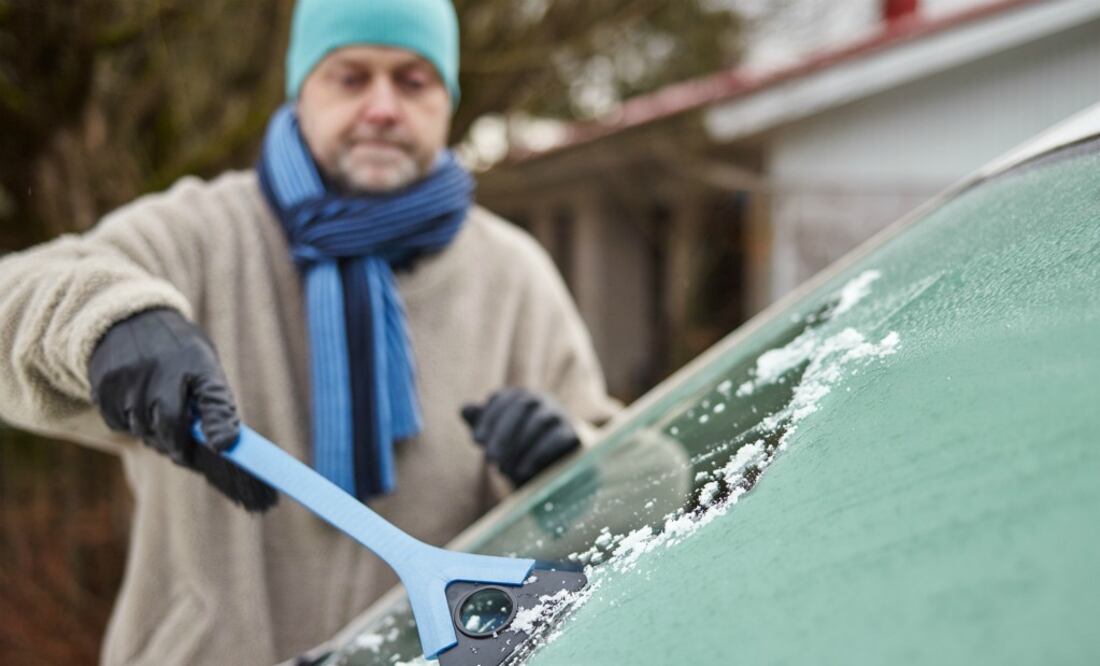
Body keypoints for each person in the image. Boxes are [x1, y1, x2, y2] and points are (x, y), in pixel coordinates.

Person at [0, 0, 618, 663]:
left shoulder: (512, 276)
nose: (382, 107)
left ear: (448, 99)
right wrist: (112, 323)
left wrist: (567, 466)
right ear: (303, 90)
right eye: (351, 77)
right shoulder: (202, 233)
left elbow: (639, 481)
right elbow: (19, 290)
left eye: (413, 81)